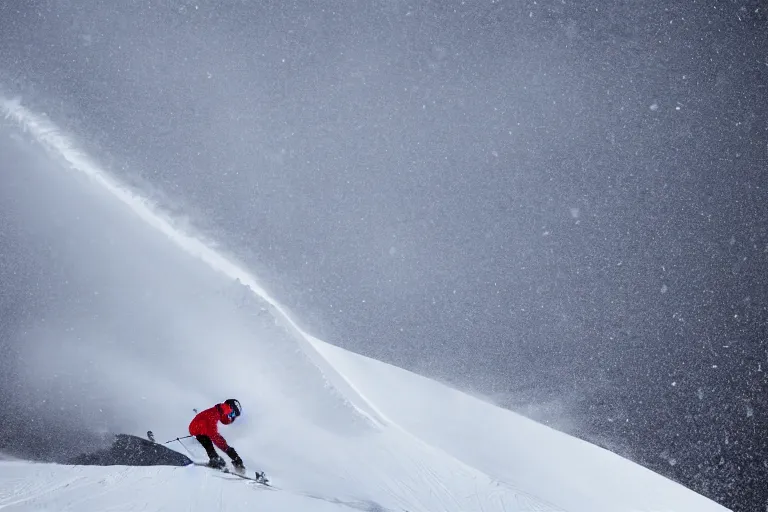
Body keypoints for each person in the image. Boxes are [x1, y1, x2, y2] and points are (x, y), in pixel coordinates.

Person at [188, 399, 244, 471]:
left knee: (208, 442)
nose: (231, 416)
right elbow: (214, 435)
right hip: (197, 429)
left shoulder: (219, 411)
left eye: (233, 415)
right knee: (209, 441)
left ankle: (215, 459)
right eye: (232, 414)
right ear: (230, 408)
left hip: (198, 428)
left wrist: (231, 419)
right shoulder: (213, 415)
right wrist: (230, 451)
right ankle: (215, 459)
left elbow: (224, 420)